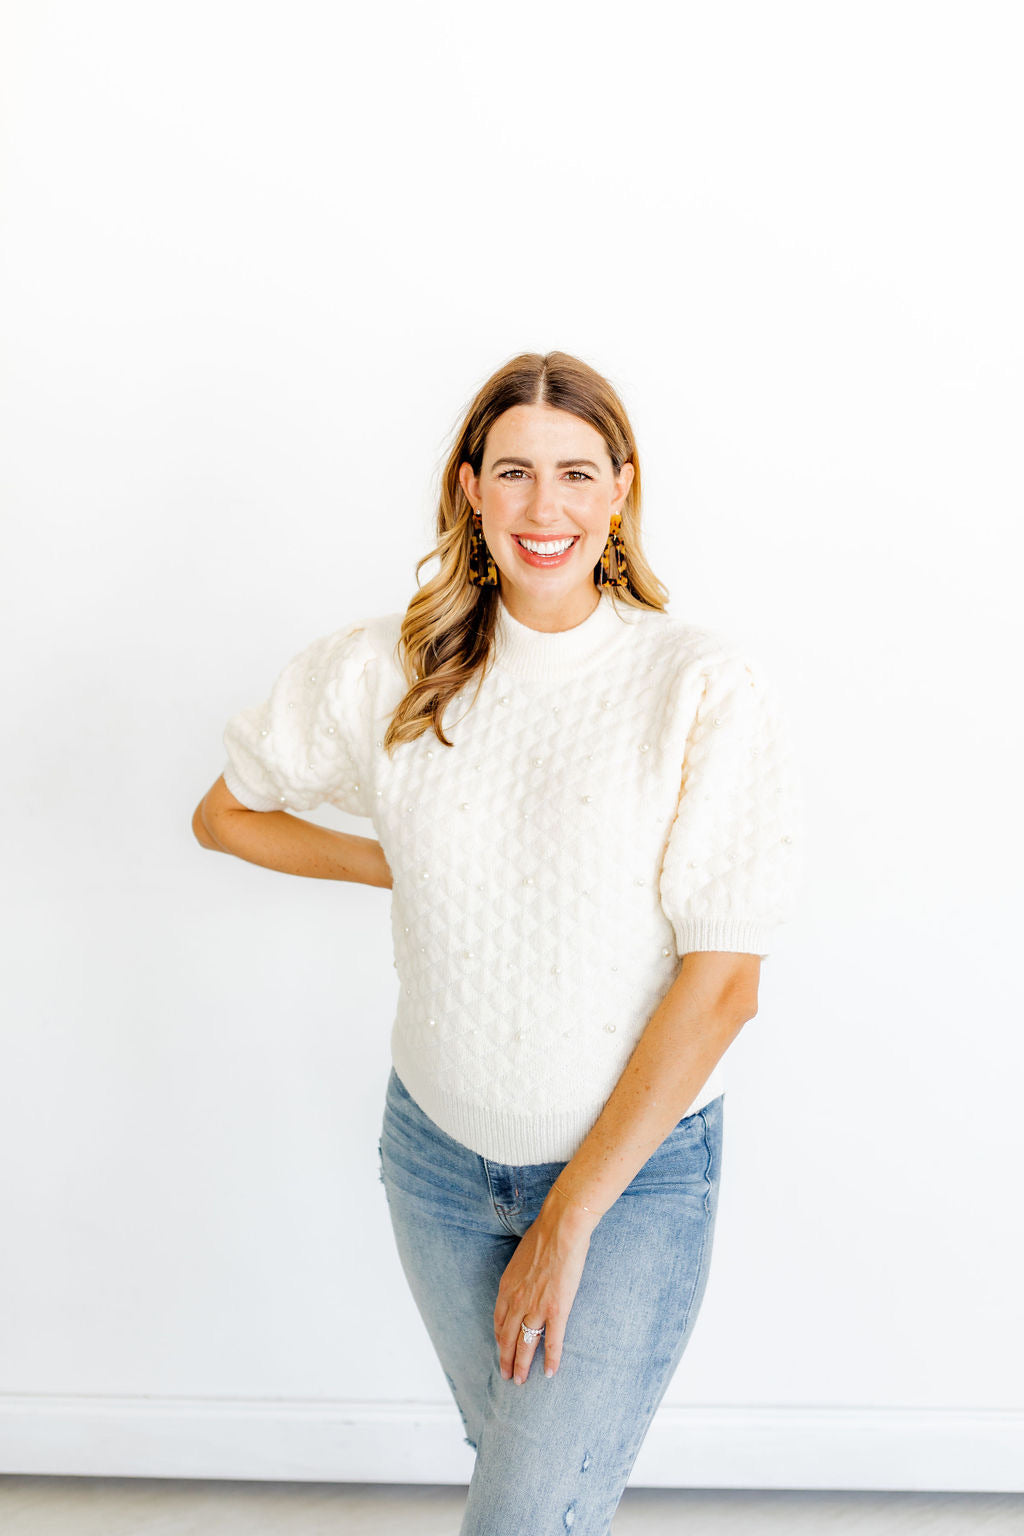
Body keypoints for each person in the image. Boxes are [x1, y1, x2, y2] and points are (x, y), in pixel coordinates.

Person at [193, 350, 803, 1534]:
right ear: (469, 488)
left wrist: (569, 1219)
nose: (543, 505)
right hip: (436, 1160)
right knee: (524, 1480)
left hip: (631, 1180)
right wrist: (403, 860)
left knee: (525, 1513)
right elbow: (227, 816)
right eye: (513, 471)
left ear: (620, 488)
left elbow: (724, 983)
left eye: (575, 472)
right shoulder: (383, 670)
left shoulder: (698, 685)